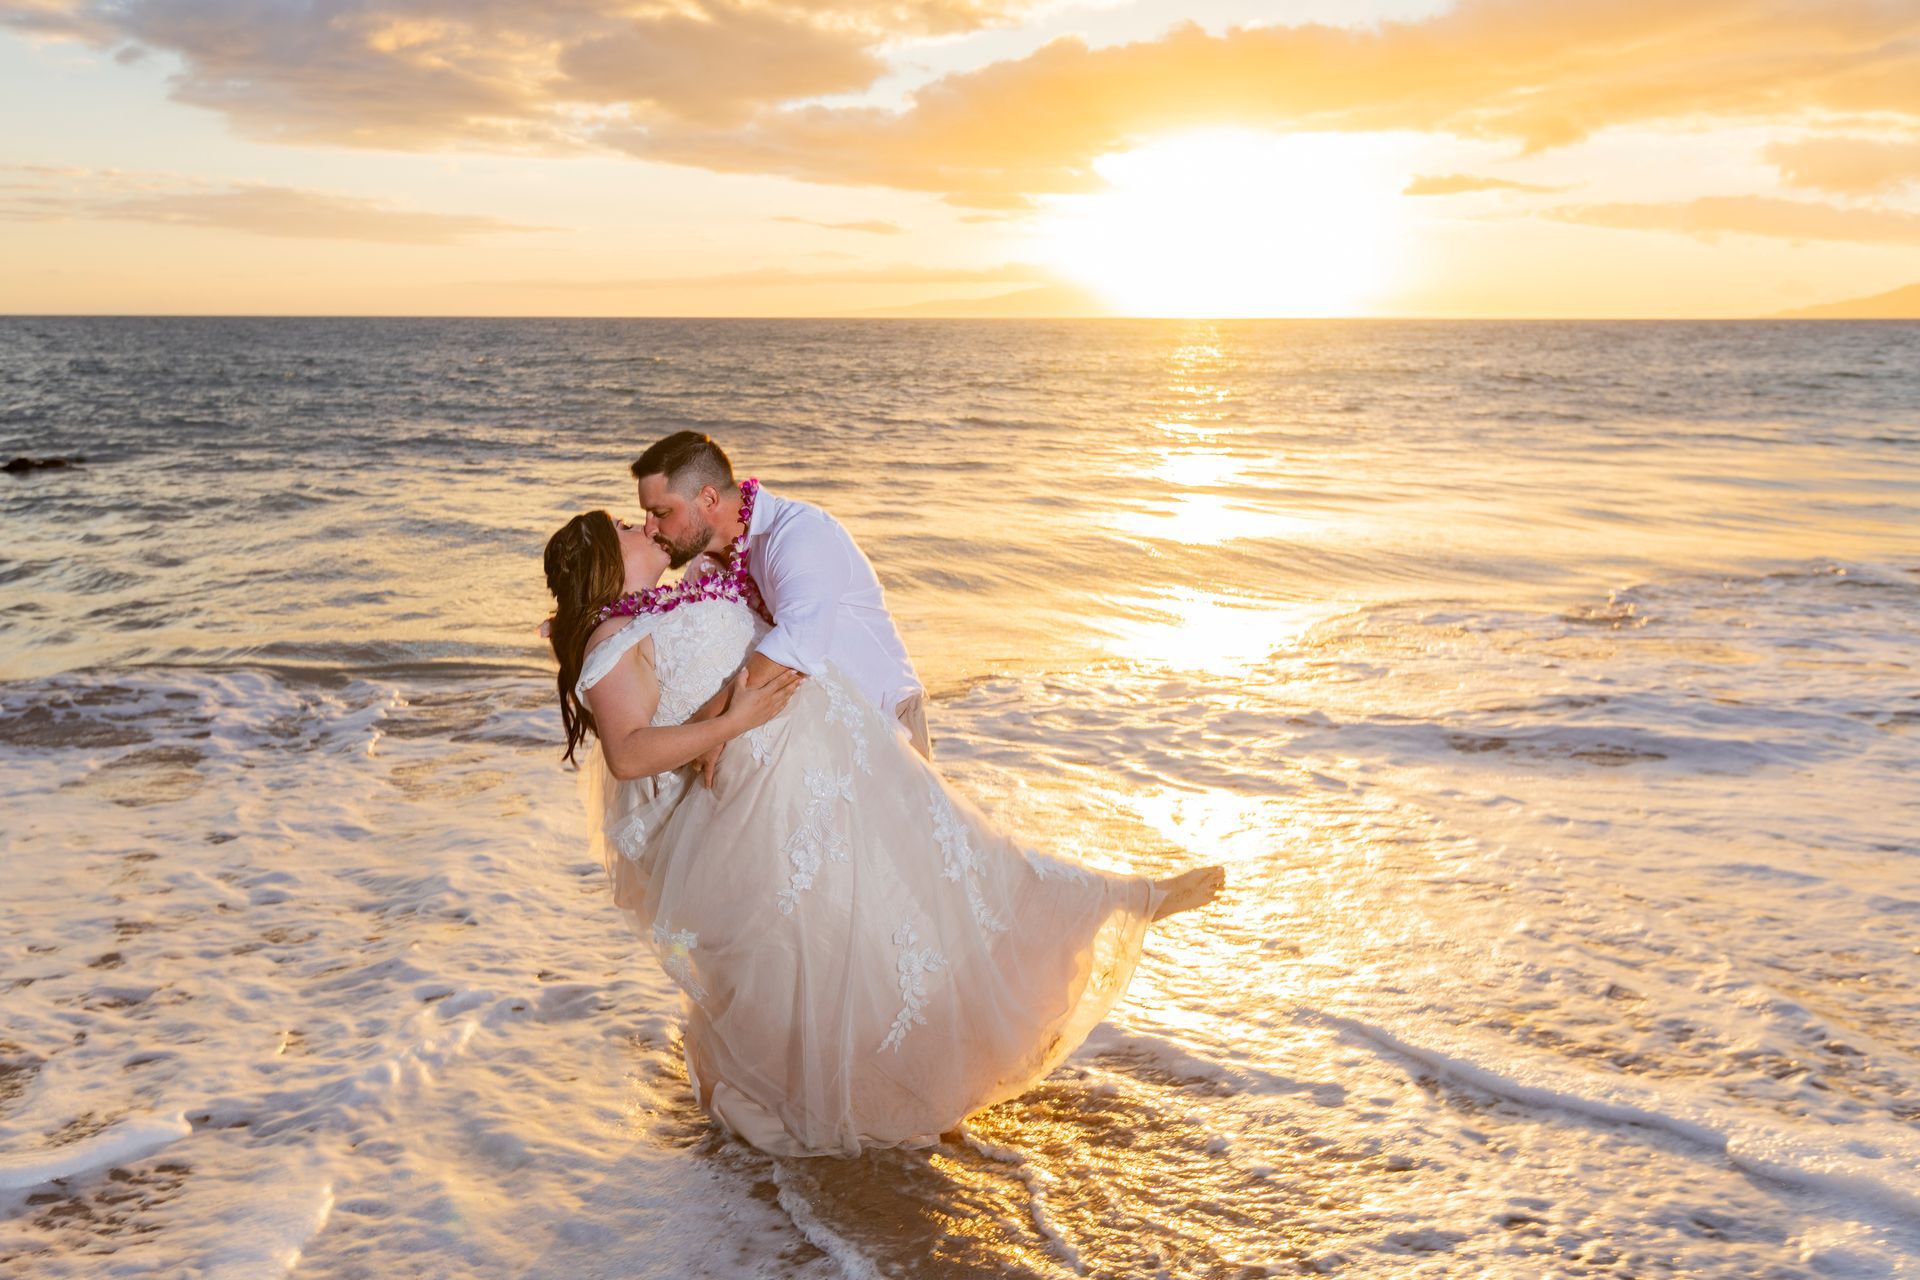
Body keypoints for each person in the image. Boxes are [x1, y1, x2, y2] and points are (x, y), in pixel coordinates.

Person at [543, 506, 1225, 1158]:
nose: (643, 527)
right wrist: (733, 722)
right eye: (626, 528)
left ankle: (1100, 904)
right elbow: (631, 753)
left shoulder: (673, 600)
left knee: (939, 878)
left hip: (823, 762)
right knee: (848, 945)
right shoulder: (613, 640)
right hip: (761, 804)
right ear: (606, 561)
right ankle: (884, 1090)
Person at [631, 431, 933, 766]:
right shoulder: (705, 568)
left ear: (709, 499)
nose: (650, 527)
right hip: (815, 743)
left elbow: (795, 644)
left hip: (884, 724)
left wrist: (707, 727)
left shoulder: (800, 533)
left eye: (660, 512)